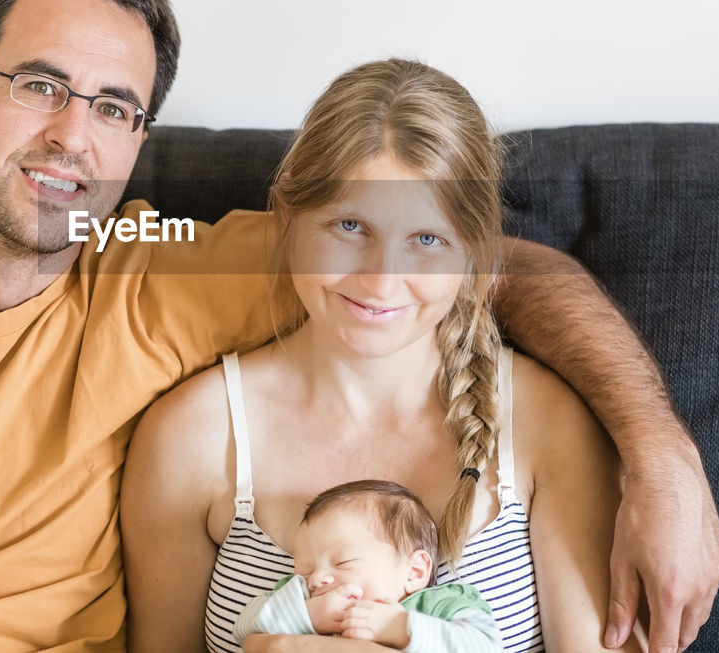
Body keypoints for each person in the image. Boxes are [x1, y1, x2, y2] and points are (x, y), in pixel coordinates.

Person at [0, 0, 719, 652]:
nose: (74, 134)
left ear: (136, 144)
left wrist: (662, 455)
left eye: (114, 107)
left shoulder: (158, 266)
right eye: (39, 86)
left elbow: (478, 266)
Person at [121, 58, 666, 652]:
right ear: (286, 218)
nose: (381, 281)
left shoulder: (549, 423)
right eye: (350, 226)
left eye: (426, 239)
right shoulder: (191, 436)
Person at [235, 480, 500, 652]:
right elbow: (243, 628)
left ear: (415, 571)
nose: (317, 579)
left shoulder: (436, 605)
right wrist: (306, 614)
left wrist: (399, 627)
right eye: (304, 569)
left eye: (343, 563)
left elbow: (487, 646)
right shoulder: (301, 599)